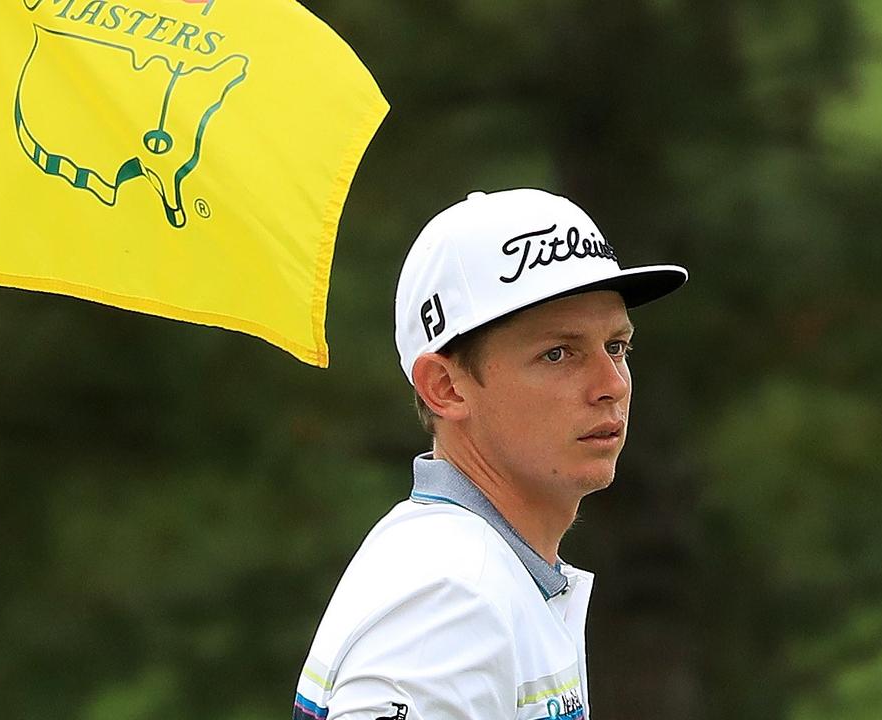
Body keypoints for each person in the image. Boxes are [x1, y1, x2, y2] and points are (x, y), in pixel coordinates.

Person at [292, 188, 688, 720]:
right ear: (446, 387)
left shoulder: (484, 570)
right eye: (558, 353)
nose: (611, 384)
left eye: (617, 346)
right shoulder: (450, 598)